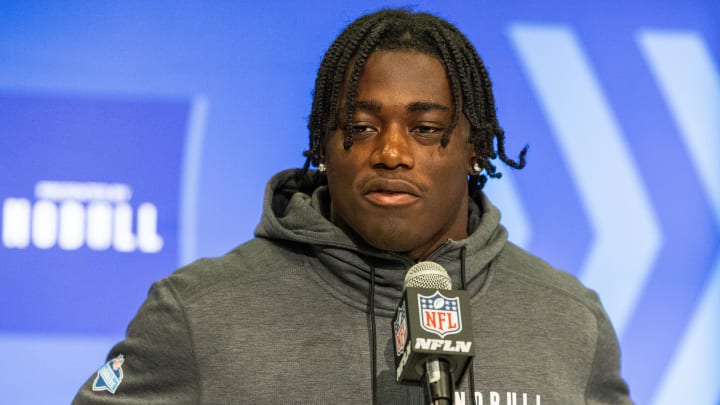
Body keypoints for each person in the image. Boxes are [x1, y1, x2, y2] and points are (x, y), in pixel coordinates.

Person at [73, 8, 633, 404]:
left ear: (474, 149)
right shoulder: (199, 313)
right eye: (361, 127)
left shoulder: (569, 321)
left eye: (425, 128)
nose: (391, 152)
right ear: (322, 145)